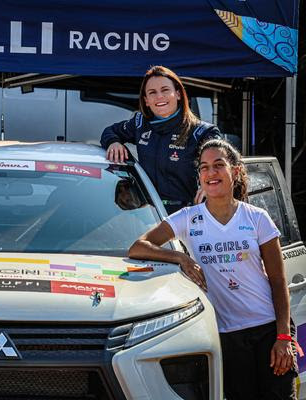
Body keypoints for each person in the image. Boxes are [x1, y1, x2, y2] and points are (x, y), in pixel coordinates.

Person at [129, 139, 299, 399]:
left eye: (219, 165)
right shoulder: (188, 218)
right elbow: (139, 247)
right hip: (225, 334)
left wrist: (284, 337)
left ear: (236, 171)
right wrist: (180, 258)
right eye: (204, 167)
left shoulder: (256, 217)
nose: (211, 173)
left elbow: (278, 281)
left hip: (269, 329)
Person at [101, 65, 221, 214]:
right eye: (152, 92)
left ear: (178, 94)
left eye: (165, 90)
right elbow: (109, 131)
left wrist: (208, 184)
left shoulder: (201, 132)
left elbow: (222, 165)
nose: (159, 96)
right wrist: (113, 142)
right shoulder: (140, 124)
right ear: (146, 100)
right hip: (149, 214)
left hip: (188, 216)